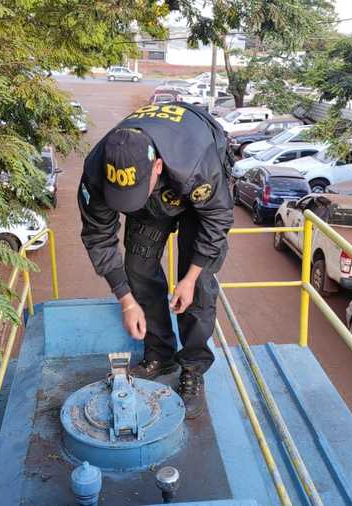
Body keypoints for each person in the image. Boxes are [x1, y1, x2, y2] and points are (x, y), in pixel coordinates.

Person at [77, 102, 234, 419]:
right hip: (154, 202)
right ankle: (160, 354)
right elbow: (98, 236)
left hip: (198, 194)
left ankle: (193, 366)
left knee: (199, 286)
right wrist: (126, 301)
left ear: (157, 167)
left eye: (136, 191)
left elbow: (217, 218)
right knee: (137, 268)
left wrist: (189, 279)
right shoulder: (96, 170)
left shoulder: (196, 162)